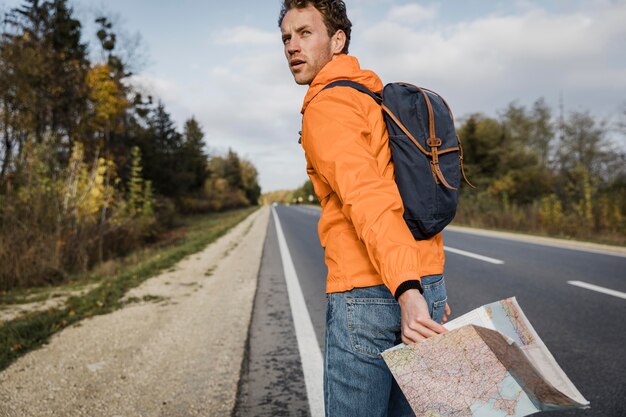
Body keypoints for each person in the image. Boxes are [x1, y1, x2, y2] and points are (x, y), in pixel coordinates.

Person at [279, 1, 452, 416]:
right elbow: (409, 196)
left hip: (369, 296)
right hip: (420, 282)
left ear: (337, 40)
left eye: (305, 33)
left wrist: (409, 291)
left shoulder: (328, 105)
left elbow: (370, 201)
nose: (291, 47)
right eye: (286, 37)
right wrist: (426, 284)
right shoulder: (373, 96)